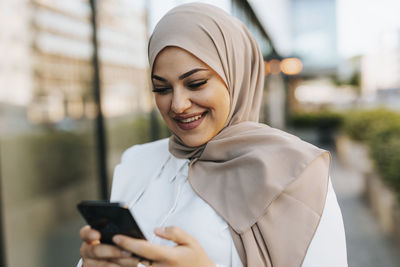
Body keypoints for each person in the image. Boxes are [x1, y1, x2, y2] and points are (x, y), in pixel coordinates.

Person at [78, 3, 348, 267]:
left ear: (235, 75)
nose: (178, 105)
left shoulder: (297, 171)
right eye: (162, 89)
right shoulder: (137, 162)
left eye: (196, 83)